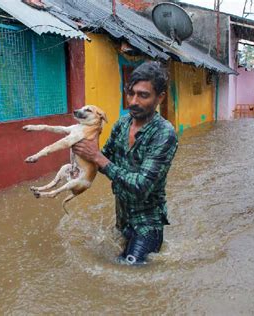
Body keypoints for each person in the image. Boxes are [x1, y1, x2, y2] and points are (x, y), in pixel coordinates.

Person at [72, 61, 178, 265]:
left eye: (143, 95)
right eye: (131, 93)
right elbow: (105, 161)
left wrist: (97, 158)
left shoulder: (164, 133)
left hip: (147, 224)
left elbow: (142, 186)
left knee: (128, 270)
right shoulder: (122, 123)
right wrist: (82, 156)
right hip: (122, 218)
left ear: (160, 98)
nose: (133, 101)